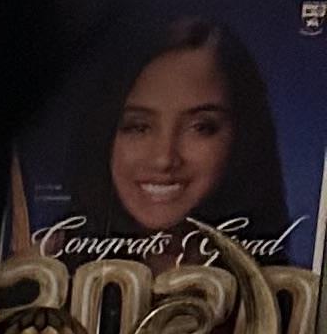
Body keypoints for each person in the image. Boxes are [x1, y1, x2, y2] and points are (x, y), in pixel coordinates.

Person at [44, 15, 298, 269]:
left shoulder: (291, 295)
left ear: (242, 138)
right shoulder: (34, 277)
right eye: (138, 127)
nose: (164, 158)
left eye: (201, 128)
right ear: (102, 135)